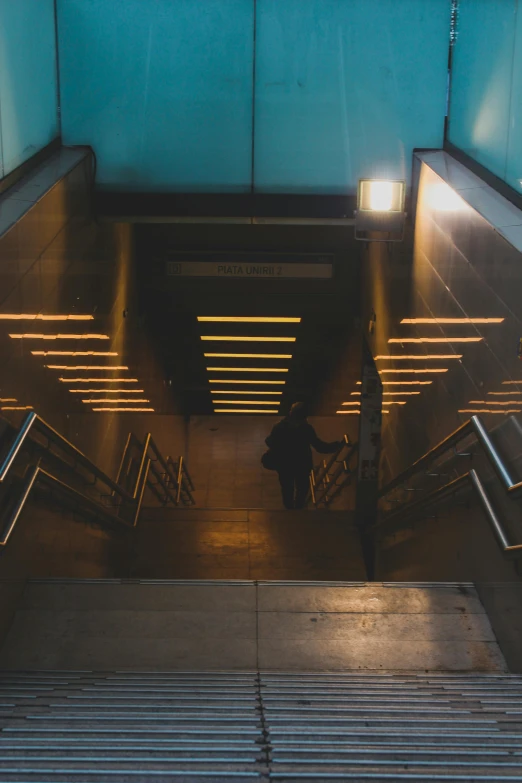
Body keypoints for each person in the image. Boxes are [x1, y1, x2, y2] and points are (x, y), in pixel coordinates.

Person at [265, 402, 342, 510]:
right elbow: (319, 446)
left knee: (287, 488)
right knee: (302, 488)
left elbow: (269, 441)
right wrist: (337, 445)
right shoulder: (306, 428)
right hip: (302, 463)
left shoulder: (280, 426)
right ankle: (298, 509)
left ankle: (289, 510)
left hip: (285, 463)